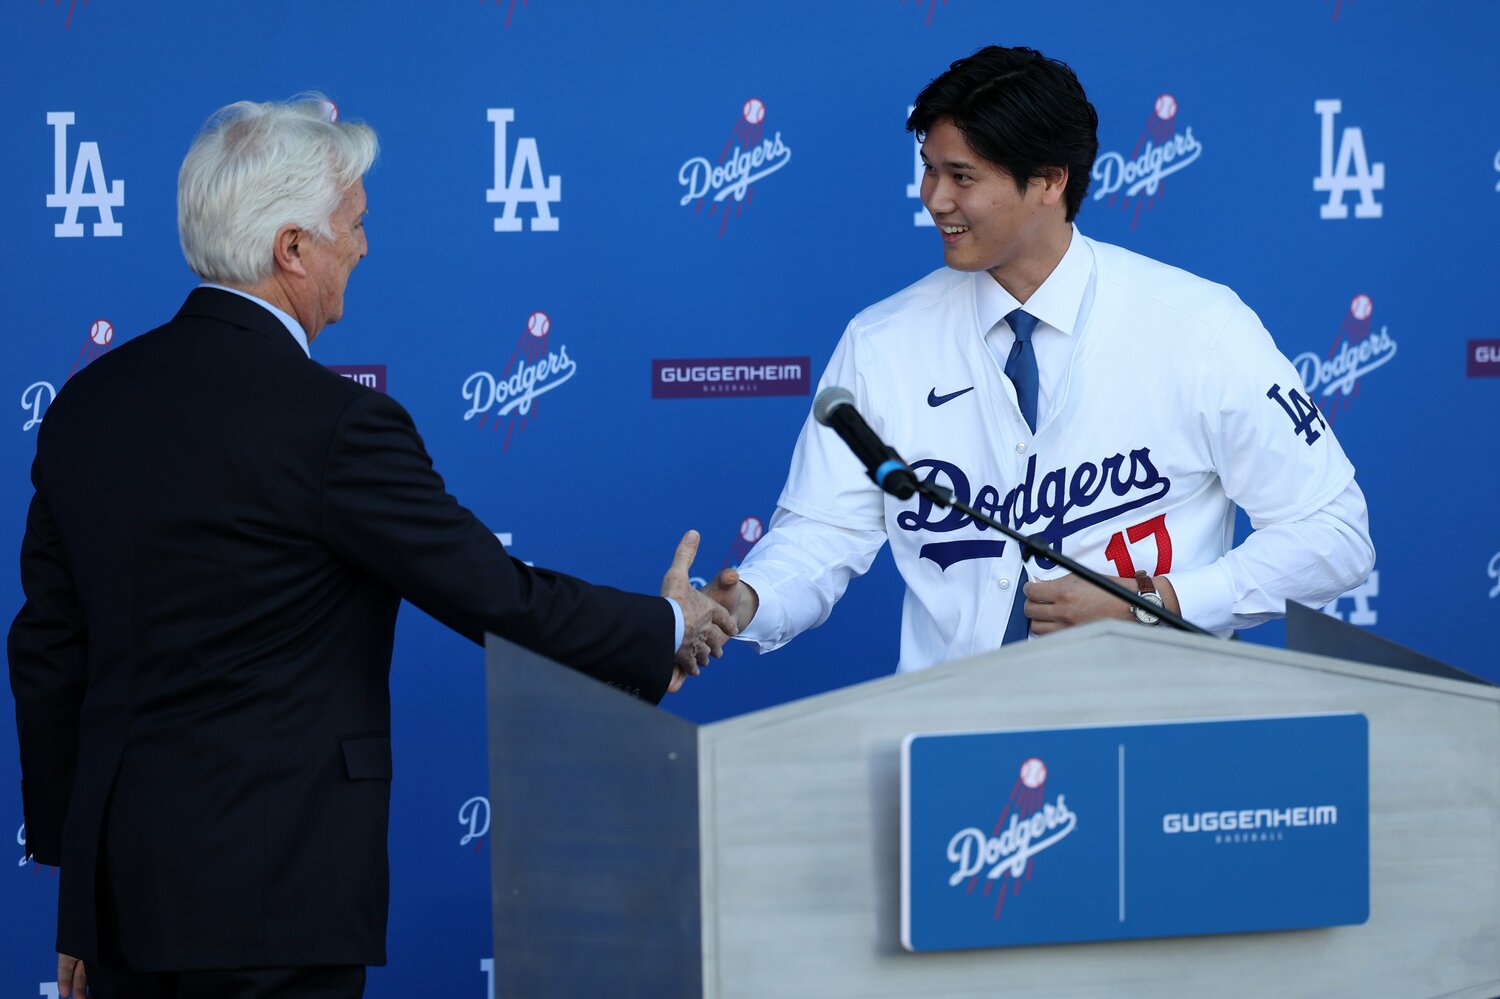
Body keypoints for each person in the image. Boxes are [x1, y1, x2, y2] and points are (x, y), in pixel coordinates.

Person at [8, 96, 733, 999]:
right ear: (292, 249)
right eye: (351, 224)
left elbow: (47, 649)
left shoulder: (86, 405)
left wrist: (81, 896)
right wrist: (664, 628)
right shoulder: (337, 426)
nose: (363, 246)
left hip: (123, 904)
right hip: (278, 906)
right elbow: (494, 595)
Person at [705, 45, 1373, 672]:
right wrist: (743, 602)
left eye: (961, 176)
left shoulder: (1198, 327)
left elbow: (1334, 533)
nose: (935, 200)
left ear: (1050, 181)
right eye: (930, 171)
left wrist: (1157, 602)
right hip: (952, 737)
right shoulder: (883, 341)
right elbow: (822, 534)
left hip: (1159, 731)